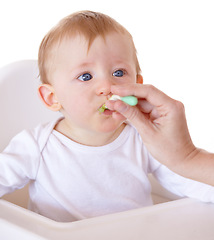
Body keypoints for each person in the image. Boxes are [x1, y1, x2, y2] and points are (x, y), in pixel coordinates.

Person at [0, 11, 213, 222]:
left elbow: (196, 185)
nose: (107, 86)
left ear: (137, 85)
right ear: (52, 97)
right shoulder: (36, 146)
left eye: (119, 73)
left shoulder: (145, 139)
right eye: (86, 76)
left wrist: (189, 156)